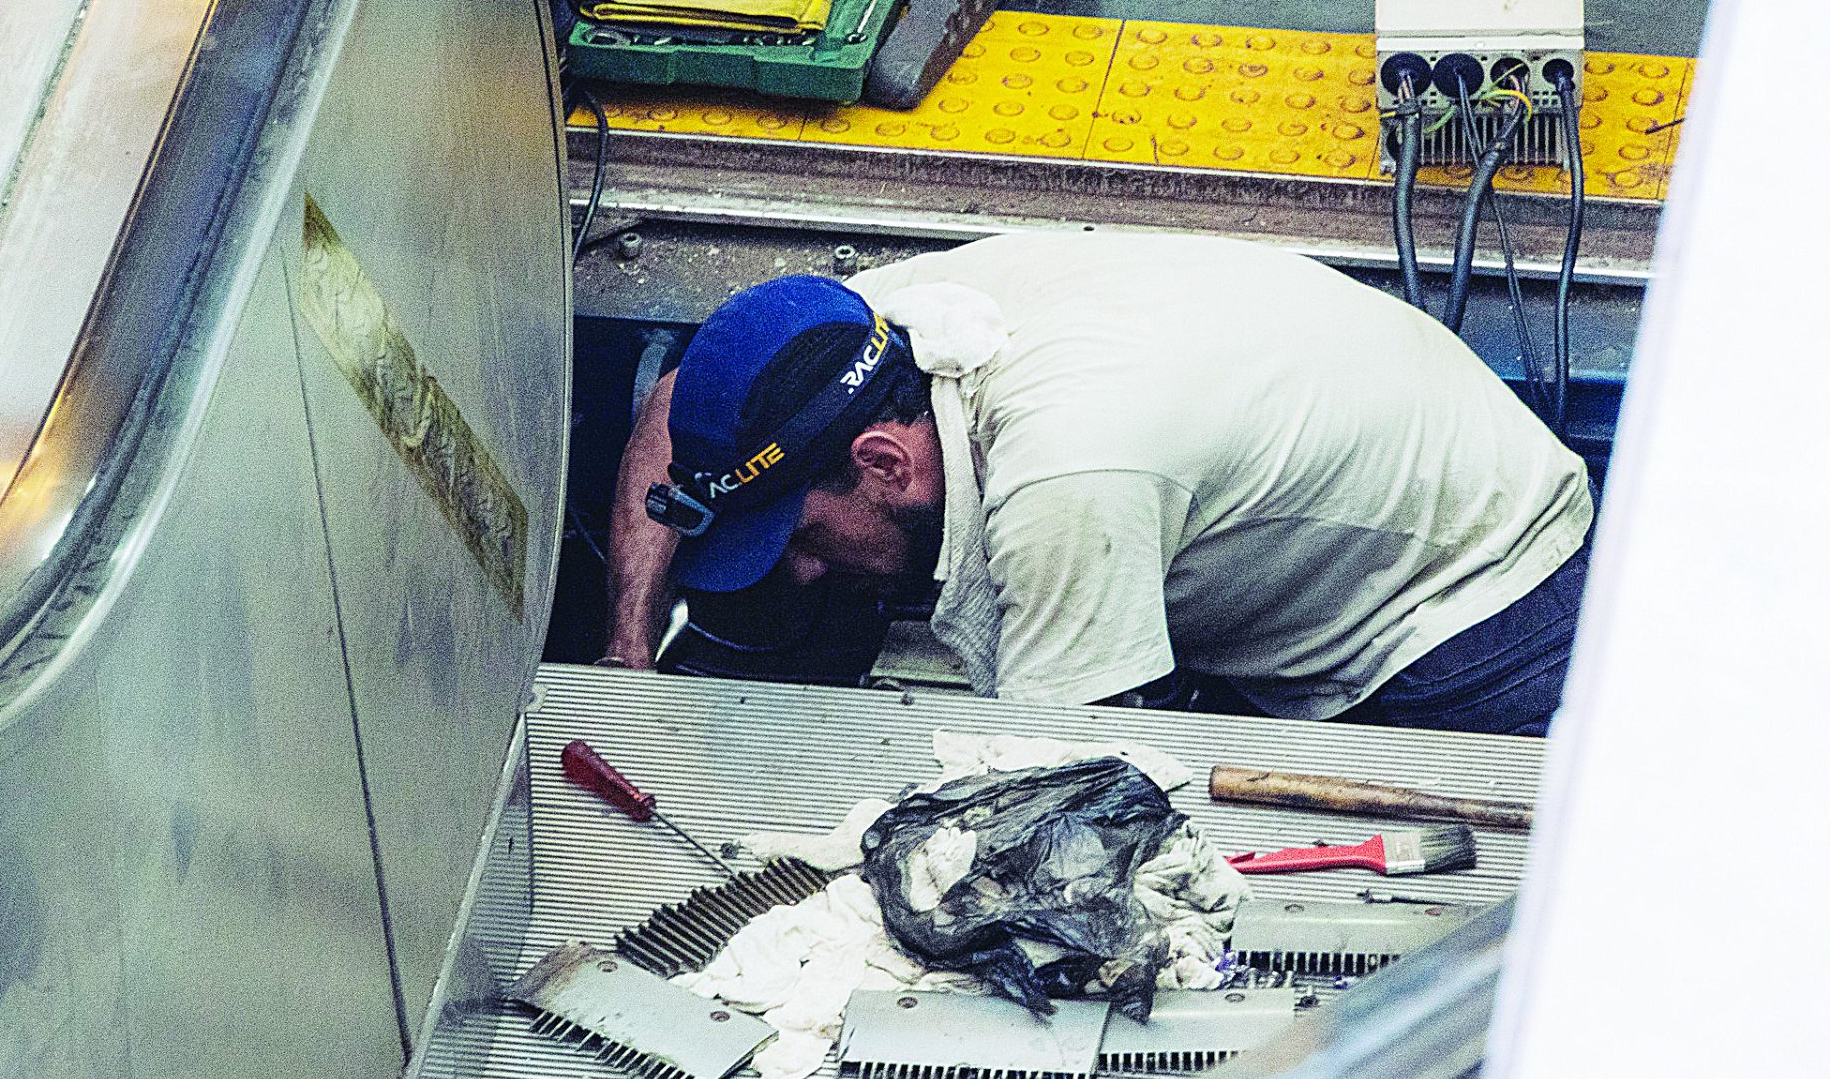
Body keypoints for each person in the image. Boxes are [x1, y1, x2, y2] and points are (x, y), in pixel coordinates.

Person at [603, 231, 1594, 735]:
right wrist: (629, 648)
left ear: (884, 464)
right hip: (1363, 451)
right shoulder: (871, 332)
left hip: (1473, 600)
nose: (809, 575)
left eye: (805, 538)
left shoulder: (1066, 478)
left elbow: (1054, 782)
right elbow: (687, 398)